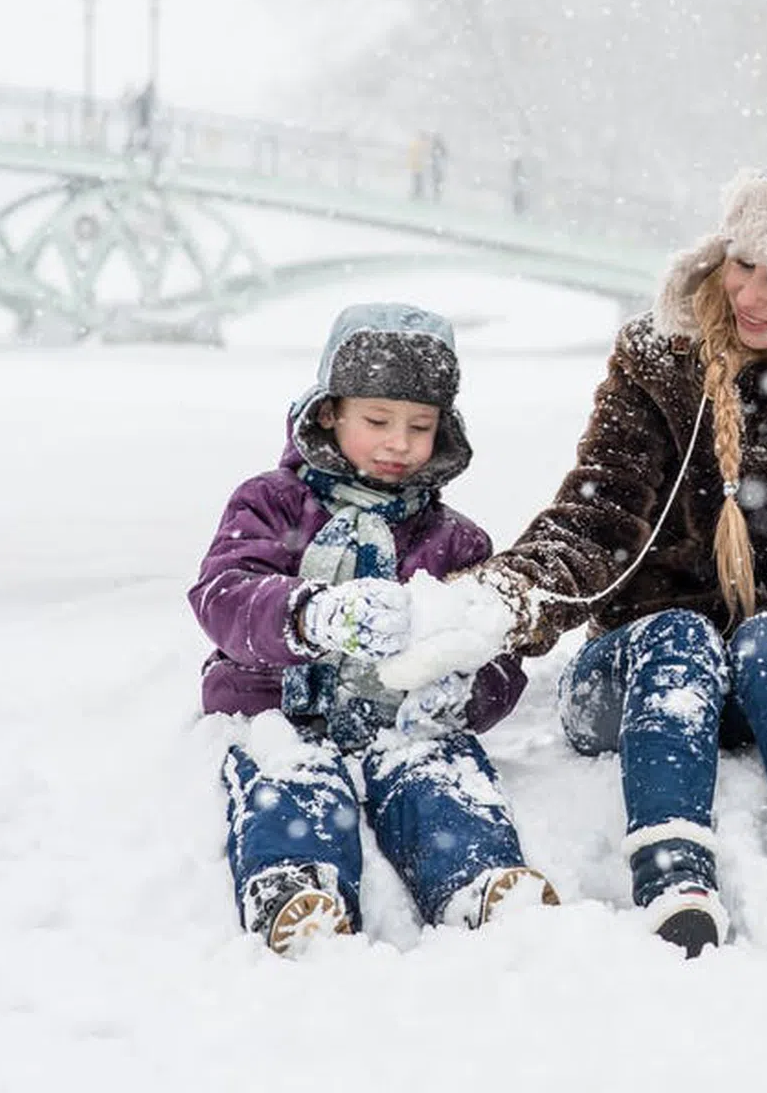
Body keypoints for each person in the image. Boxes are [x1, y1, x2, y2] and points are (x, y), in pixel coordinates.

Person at [378, 159, 767, 955]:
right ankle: (673, 873)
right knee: (679, 639)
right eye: (743, 263)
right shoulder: (661, 359)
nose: (748, 295)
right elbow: (596, 520)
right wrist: (504, 600)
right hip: (641, 676)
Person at [188, 303, 557, 955]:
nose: (398, 443)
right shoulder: (272, 504)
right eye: (378, 421)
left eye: (420, 426)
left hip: (400, 721)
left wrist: (466, 690)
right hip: (276, 707)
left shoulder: (455, 540)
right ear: (330, 412)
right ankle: (296, 884)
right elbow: (224, 593)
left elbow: (495, 651)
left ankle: (478, 878)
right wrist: (310, 614)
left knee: (441, 774)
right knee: (292, 776)